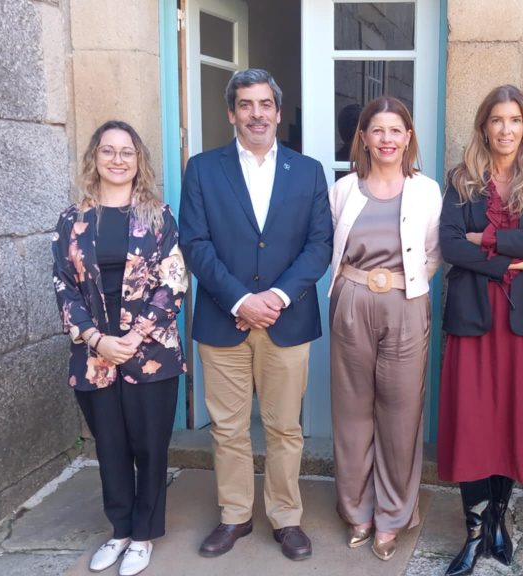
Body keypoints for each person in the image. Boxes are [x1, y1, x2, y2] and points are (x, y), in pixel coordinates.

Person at [178, 68, 332, 562]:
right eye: (246, 104)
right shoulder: (203, 169)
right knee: (228, 428)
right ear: (232, 113)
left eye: (265, 104)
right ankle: (235, 515)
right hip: (223, 320)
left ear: (278, 112)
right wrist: (241, 300)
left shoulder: (307, 171)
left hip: (288, 321)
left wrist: (277, 298)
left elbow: (319, 245)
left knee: (285, 427)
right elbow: (195, 243)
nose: (256, 113)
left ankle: (286, 518)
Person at [438, 85, 523, 576]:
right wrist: (510, 260)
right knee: (474, 421)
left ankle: (497, 519)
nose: (506, 129)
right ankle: (473, 532)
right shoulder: (461, 180)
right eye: (497, 120)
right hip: (474, 315)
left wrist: (488, 238)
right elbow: (451, 245)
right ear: (484, 127)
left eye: (514, 120)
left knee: (512, 418)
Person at [52, 120, 188, 576]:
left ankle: (143, 536)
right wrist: (97, 339)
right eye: (107, 150)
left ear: (138, 160)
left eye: (126, 151)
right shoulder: (72, 221)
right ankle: (120, 530)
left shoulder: (158, 216)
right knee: (110, 448)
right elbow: (63, 286)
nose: (117, 159)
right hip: (94, 355)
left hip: (150, 353)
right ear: (94, 157)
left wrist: (134, 336)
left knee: (149, 447)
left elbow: (174, 280)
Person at [327, 96, 442, 561]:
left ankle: (393, 514)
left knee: (401, 412)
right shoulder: (343, 190)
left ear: (408, 137)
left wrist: (401, 285)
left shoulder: (427, 191)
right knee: (352, 410)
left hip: (405, 304)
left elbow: (433, 252)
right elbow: (331, 247)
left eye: (396, 130)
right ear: (363, 137)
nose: (387, 139)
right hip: (352, 301)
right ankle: (357, 508)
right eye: (377, 130)